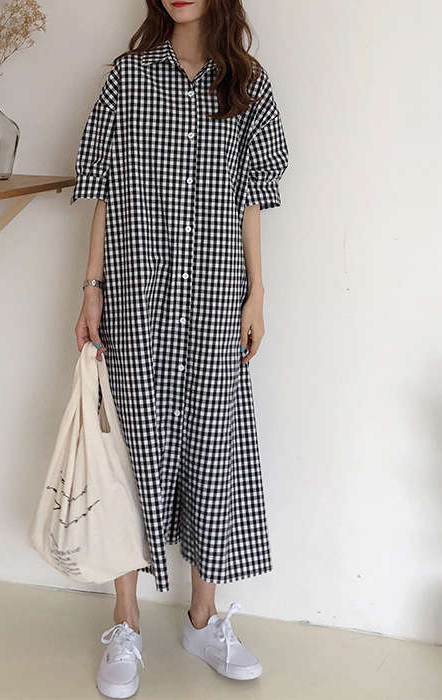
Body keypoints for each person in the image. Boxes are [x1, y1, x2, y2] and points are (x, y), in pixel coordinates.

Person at [70, 0, 289, 697]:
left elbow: (251, 198)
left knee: (212, 448)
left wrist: (256, 294)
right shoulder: (127, 78)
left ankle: (203, 619)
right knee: (130, 451)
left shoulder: (247, 83)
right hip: (137, 294)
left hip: (217, 294)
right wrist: (91, 288)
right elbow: (104, 191)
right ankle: (126, 621)